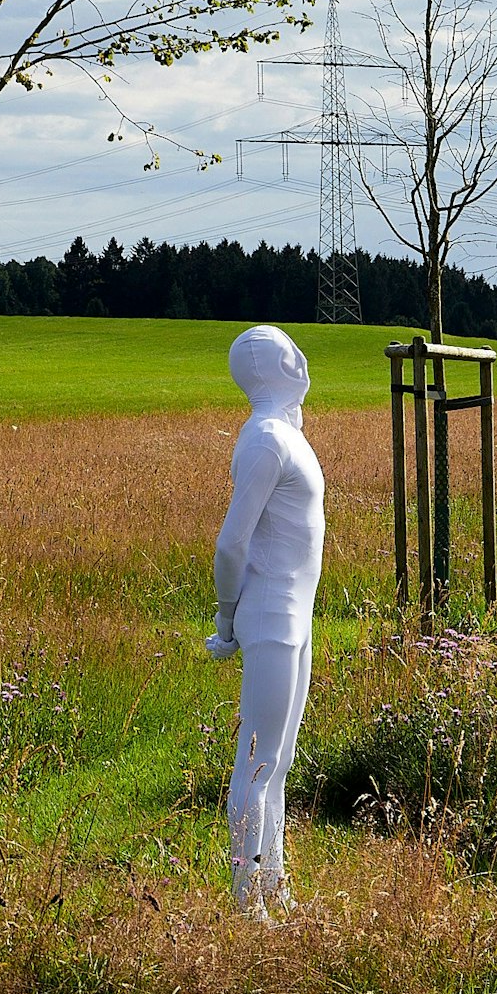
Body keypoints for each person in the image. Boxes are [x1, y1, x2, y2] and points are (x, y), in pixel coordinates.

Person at [205, 325, 324, 917]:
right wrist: (227, 619)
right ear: (268, 368)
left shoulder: (284, 437)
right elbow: (232, 546)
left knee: (278, 762)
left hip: (295, 617)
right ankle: (248, 902)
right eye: (288, 354)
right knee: (256, 762)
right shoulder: (265, 441)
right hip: (272, 614)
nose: (302, 361)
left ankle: (273, 885)